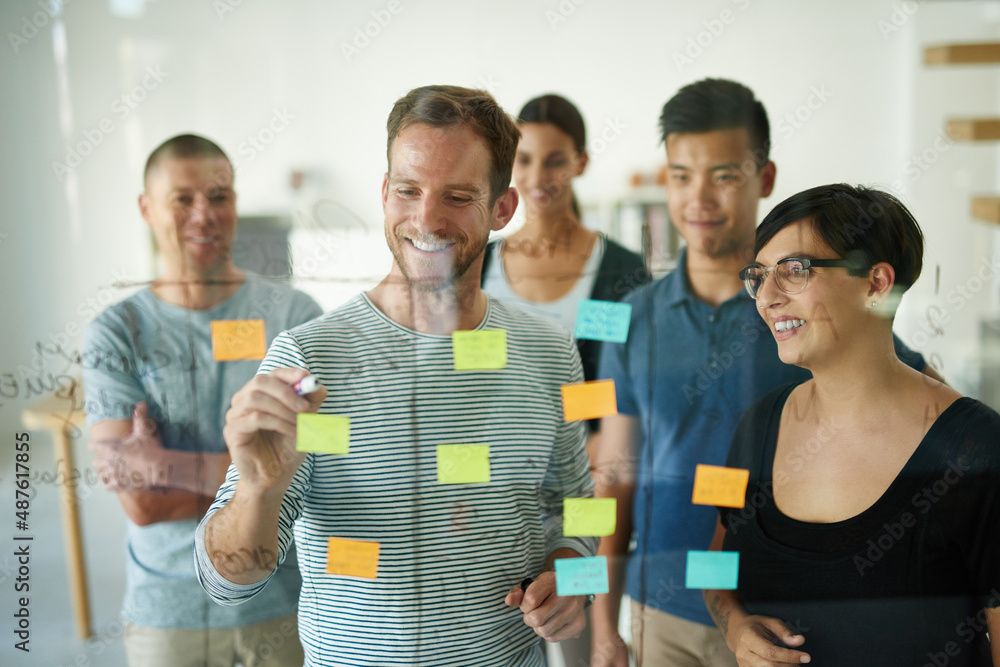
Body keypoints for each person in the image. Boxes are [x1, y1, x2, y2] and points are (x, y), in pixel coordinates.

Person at [193, 85, 599, 666]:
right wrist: (258, 490)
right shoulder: (310, 361)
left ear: (503, 209)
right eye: (408, 190)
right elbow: (228, 582)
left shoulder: (549, 354)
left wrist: (572, 574)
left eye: (458, 196)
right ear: (385, 193)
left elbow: (581, 504)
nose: (426, 219)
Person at [590, 80, 939, 667]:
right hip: (661, 610)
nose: (698, 199)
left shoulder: (803, 310)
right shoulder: (632, 318)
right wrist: (604, 626)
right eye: (680, 175)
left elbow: (920, 389)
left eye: (724, 176)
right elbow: (613, 477)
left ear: (766, 178)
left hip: (779, 617)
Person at [704, 183, 1000, 665]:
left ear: (876, 284)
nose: (767, 297)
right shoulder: (759, 425)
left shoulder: (976, 449)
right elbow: (711, 562)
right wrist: (736, 627)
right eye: (759, 276)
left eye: (794, 270)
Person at [83, 134, 322, 667]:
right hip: (168, 612)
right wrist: (264, 480)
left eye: (219, 197)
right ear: (147, 209)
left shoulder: (297, 319)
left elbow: (321, 462)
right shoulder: (115, 334)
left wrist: (166, 464)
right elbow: (141, 503)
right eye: (182, 199)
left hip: (280, 600)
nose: (204, 215)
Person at [481, 93, 648, 389]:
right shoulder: (479, 265)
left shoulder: (621, 270)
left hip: (587, 435)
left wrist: (568, 429)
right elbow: (469, 377)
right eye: (524, 160)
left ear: (580, 163)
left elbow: (618, 384)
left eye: (555, 161)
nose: (537, 177)